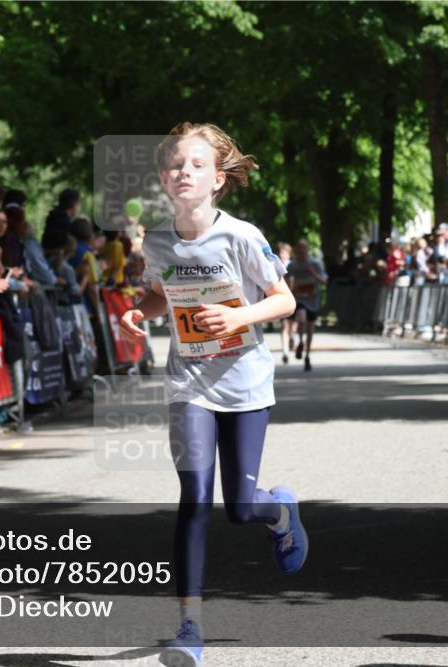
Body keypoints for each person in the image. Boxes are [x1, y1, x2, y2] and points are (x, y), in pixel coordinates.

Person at [118, 122, 307, 667]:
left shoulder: (242, 236)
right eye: (176, 165)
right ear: (162, 176)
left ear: (218, 179)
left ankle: (280, 513)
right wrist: (139, 311)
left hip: (244, 383)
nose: (185, 173)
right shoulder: (156, 239)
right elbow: (161, 295)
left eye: (197, 165)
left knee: (240, 508)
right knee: (194, 501)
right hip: (189, 383)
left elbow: (284, 301)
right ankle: (189, 627)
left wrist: (237, 316)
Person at [286, 239, 328, 372]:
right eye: (299, 248)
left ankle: (307, 356)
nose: (302, 250)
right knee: (301, 318)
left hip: (313, 299)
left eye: (304, 248)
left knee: (310, 328)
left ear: (308, 249)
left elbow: (324, 281)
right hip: (300, 299)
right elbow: (285, 280)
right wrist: (290, 290)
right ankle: (300, 341)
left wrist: (314, 274)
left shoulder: (315, 263)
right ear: (296, 250)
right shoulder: (293, 265)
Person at [275, 242, 296, 362]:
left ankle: (292, 336)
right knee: (284, 326)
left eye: (284, 252)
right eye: (280, 252)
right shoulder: (275, 266)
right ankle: (285, 351)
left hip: (294, 298)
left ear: (289, 254)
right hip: (282, 300)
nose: (281, 254)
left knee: (292, 326)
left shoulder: (292, 266)